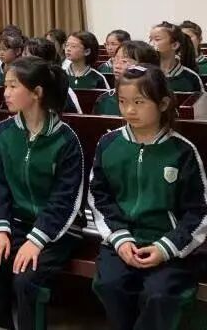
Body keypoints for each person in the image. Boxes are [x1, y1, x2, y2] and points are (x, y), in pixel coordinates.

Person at [89, 65, 207, 329]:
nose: (129, 110)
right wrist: (120, 238)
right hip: (122, 240)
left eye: (139, 102)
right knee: (110, 285)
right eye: (123, 102)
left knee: (159, 294)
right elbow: (99, 196)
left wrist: (166, 247)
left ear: (162, 104)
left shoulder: (182, 151)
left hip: (169, 243)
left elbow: (199, 211)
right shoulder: (109, 144)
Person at [0, 56, 84, 330]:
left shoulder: (66, 140)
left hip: (58, 229)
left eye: (13, 86)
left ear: (36, 93)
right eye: (5, 85)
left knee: (27, 279)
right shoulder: (1, 133)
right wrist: (0, 229)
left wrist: (36, 240)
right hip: (15, 223)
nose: (5, 92)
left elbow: (66, 200)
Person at [94, 41, 159, 116]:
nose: (117, 66)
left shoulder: (155, 98)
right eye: (115, 60)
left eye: (124, 61)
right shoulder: (104, 99)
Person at [24, 37, 83, 114]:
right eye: (23, 54)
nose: (21, 59)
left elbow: (77, 118)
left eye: (26, 55)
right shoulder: (21, 86)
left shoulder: (63, 89)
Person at [149, 22, 204, 92]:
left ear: (175, 45)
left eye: (157, 39)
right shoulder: (146, 73)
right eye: (150, 39)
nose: (151, 44)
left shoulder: (192, 77)